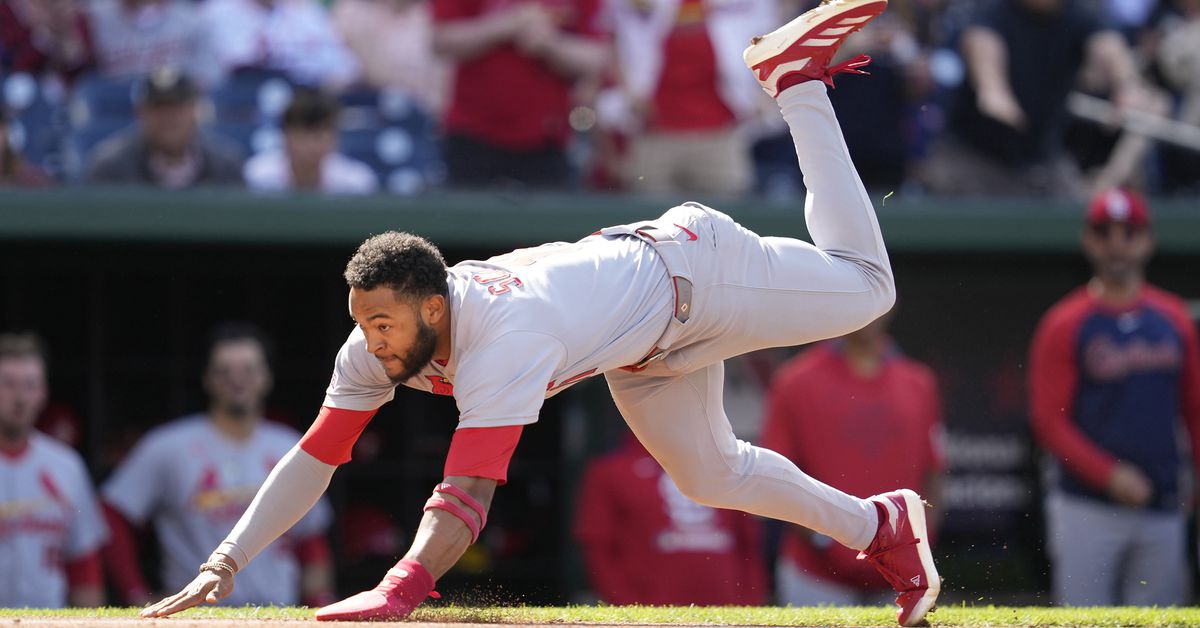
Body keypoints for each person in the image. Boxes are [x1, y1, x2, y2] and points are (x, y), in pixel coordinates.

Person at [141, 2, 942, 626]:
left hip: (693, 269)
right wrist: (228, 558)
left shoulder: (499, 338)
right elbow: (314, 459)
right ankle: (879, 527)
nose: (371, 341)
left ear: (432, 306)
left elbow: (464, 502)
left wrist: (398, 589)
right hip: (642, 344)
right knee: (709, 472)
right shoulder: (378, 342)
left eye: (384, 325)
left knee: (871, 288)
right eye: (362, 322)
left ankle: (797, 84)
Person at [1028, 188, 1199, 606]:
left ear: (1148, 240)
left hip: (1162, 502)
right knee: (1083, 618)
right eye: (1105, 232)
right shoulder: (1065, 322)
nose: (1117, 244)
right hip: (1087, 506)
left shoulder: (1173, 317)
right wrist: (1108, 474)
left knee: (1159, 618)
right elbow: (1049, 421)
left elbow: (1194, 408)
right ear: (1089, 240)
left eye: (1130, 232)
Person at [101, 323, 335, 607]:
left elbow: (310, 539)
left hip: (276, 613)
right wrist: (136, 593)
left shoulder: (292, 445)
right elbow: (113, 513)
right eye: (224, 371)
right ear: (207, 379)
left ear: (267, 377)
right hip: (193, 613)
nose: (237, 380)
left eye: (249, 370)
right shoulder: (168, 446)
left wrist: (318, 602)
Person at [761, 312, 945, 606]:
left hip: (899, 579)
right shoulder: (794, 382)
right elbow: (776, 476)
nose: (867, 311)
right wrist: (824, 541)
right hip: (816, 576)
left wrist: (916, 547)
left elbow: (934, 473)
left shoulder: (919, 383)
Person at [922, 0, 1163, 197]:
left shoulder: (1078, 13)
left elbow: (1107, 45)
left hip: (1041, 159)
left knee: (1080, 219)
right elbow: (981, 41)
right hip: (972, 157)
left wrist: (1126, 86)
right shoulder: (993, 9)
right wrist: (992, 89)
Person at [600, 0, 776, 195]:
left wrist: (761, 94)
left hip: (721, 135)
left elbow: (772, 38)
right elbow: (611, 39)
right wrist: (629, 92)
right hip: (654, 135)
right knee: (649, 220)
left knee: (724, 219)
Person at [574, 431, 767, 605]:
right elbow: (598, 550)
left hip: (727, 610)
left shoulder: (726, 466)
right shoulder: (611, 471)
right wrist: (631, 608)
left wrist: (748, 601)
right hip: (651, 611)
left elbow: (748, 543)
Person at [432, 0, 608, 189]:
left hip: (546, 142)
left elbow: (597, 58)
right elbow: (441, 39)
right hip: (473, 135)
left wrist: (550, 45)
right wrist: (506, 25)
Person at [0, 332, 107, 608]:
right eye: (8, 384)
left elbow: (84, 563)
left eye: (30, 385)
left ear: (43, 392)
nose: (20, 397)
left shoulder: (66, 465)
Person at [86, 68, 244, 188]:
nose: (168, 117)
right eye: (158, 108)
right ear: (140, 114)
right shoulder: (111, 167)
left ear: (195, 111)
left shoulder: (226, 164)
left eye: (176, 108)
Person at [200, 0, 361, 90]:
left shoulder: (305, 11)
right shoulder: (216, 11)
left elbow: (343, 66)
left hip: (302, 102)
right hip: (241, 105)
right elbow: (236, 62)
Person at [243, 88, 379, 194]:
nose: (313, 144)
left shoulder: (356, 183)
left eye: (321, 134)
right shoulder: (256, 177)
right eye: (305, 134)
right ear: (285, 136)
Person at [331, 0, 449, 115]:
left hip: (435, 116)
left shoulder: (439, 13)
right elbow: (337, 77)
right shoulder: (352, 11)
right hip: (374, 113)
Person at [84, 0, 211, 84]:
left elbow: (204, 79)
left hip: (173, 105)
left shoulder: (190, 17)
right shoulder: (94, 19)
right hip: (116, 110)